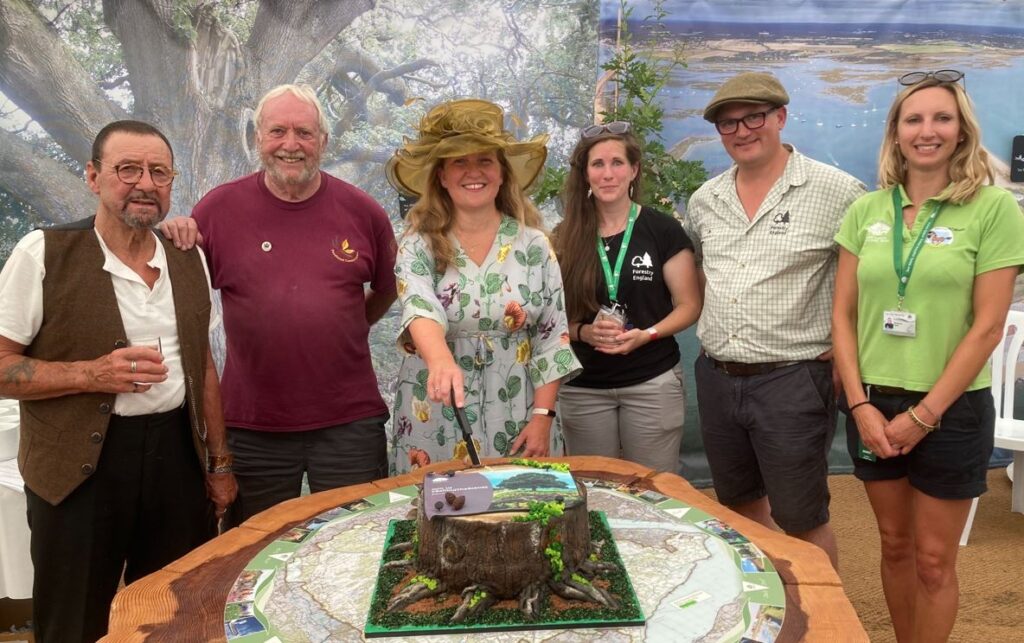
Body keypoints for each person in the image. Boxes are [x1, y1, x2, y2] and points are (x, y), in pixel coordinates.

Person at [0, 120, 236, 642]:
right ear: (93, 176)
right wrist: (93, 373)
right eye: (127, 168)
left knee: (175, 615)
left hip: (176, 461)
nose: (145, 183)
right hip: (78, 471)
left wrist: (219, 466)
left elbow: (204, 368)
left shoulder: (187, 256)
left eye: (158, 171)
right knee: (74, 622)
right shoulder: (43, 253)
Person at [833, 71, 1024, 641]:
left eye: (942, 118)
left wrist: (922, 417)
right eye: (913, 119)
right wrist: (860, 406)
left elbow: (988, 327)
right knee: (893, 546)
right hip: (871, 400)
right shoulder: (865, 211)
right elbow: (841, 317)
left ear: (962, 131)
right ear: (895, 133)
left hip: (952, 406)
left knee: (935, 560)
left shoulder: (994, 209)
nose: (927, 131)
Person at [160, 84, 397, 525]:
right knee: (252, 551)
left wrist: (344, 327)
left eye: (304, 133)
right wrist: (174, 233)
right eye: (278, 131)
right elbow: (181, 294)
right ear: (257, 139)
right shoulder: (217, 210)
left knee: (356, 546)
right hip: (253, 427)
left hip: (349, 422)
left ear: (323, 142)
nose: (291, 145)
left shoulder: (364, 212)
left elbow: (387, 288)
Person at [684, 72, 865, 569]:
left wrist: (851, 342)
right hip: (718, 376)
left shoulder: (838, 192)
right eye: (727, 124)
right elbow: (700, 272)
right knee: (739, 507)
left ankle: (824, 622)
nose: (741, 131)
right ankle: (775, 602)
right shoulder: (704, 201)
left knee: (802, 517)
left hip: (792, 380)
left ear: (780, 117)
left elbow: (877, 273)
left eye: (753, 118)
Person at [385, 98, 581, 474]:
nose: (472, 171)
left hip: (519, 407)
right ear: (441, 175)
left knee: (523, 513)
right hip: (438, 411)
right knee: (439, 515)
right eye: (459, 161)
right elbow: (418, 304)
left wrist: (542, 417)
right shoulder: (417, 243)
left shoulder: (535, 245)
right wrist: (441, 359)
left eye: (484, 160)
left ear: (503, 173)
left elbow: (551, 335)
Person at [553, 122, 701, 473]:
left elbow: (689, 305)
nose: (608, 174)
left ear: (634, 170)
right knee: (594, 489)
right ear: (585, 174)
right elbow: (551, 316)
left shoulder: (662, 229)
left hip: (652, 382)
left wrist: (646, 335)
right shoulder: (563, 236)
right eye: (597, 164)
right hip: (583, 387)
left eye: (617, 163)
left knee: (654, 489)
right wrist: (584, 332)